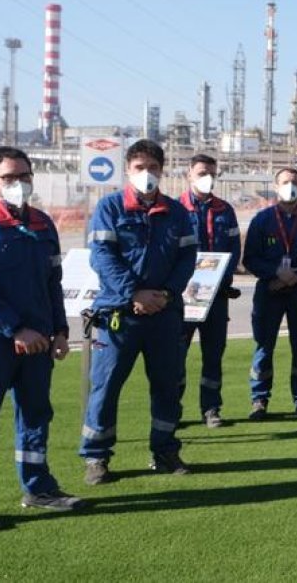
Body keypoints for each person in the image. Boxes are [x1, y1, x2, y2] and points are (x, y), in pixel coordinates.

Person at [0, 147, 83, 532]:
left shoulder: (43, 225)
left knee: (35, 415)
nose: (19, 184)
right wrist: (15, 328)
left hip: (38, 342)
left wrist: (61, 331)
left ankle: (38, 489)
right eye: (10, 177)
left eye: (25, 176)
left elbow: (54, 283)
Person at [81, 139, 198, 484]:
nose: (146, 174)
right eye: (139, 168)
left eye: (153, 168)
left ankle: (164, 450)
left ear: (162, 171)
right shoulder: (110, 208)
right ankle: (97, 457)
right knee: (106, 386)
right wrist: (133, 292)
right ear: (128, 170)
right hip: (121, 313)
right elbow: (102, 256)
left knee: (166, 385)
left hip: (164, 313)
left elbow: (186, 259)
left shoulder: (177, 213)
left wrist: (164, 294)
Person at [242, 168, 297, 420]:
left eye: (294, 182)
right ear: (276, 186)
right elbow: (249, 258)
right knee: (263, 346)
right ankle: (259, 399)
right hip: (269, 291)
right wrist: (274, 275)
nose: (290, 186)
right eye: (285, 182)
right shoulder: (262, 219)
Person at [178, 154, 241, 429]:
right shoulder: (176, 209)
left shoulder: (225, 210)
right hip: (181, 296)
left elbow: (234, 248)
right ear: (189, 174)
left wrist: (222, 278)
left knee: (213, 355)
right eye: (203, 172)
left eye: (213, 173)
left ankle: (211, 409)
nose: (208, 177)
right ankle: (172, 409)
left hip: (216, 296)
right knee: (175, 355)